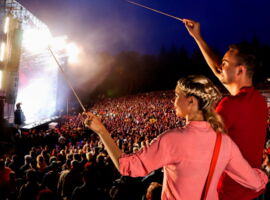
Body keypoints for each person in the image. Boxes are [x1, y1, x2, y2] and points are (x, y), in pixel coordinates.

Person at [84, 75, 268, 200]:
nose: (174, 101)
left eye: (177, 96)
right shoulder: (225, 142)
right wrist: (265, 172)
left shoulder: (173, 139)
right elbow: (254, 182)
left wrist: (101, 131)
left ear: (192, 101)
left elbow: (128, 166)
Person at [183, 19, 268, 200]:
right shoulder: (259, 101)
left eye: (225, 63)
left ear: (240, 71)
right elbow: (217, 70)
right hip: (254, 192)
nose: (221, 66)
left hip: (228, 194)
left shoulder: (231, 105)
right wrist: (198, 37)